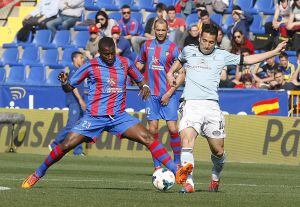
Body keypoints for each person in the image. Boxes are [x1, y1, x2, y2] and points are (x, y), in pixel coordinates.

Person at [21, 37, 192, 189]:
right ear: (99, 53)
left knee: (148, 137)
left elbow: (139, 79)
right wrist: (64, 82)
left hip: (119, 117)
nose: (109, 57)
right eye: (105, 54)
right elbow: (69, 88)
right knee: (66, 145)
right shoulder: (91, 66)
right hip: (94, 117)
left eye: (111, 53)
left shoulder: (125, 63)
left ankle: (176, 171)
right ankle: (38, 173)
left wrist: (145, 86)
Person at [167, 23, 287, 193]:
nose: (207, 45)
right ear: (200, 37)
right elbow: (178, 63)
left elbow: (248, 60)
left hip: (211, 106)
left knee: (218, 151)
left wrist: (274, 52)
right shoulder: (188, 50)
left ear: (216, 41)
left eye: (211, 42)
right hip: (190, 103)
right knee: (187, 139)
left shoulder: (222, 55)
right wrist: (171, 73)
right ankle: (189, 182)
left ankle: (215, 175)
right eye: (204, 41)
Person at [136, 19, 182, 170]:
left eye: (163, 30)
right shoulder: (146, 46)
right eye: (158, 30)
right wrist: (138, 80)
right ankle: (157, 166)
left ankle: (177, 162)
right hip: (151, 95)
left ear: (167, 30)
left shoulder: (174, 48)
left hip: (169, 94)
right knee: (152, 130)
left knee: (173, 129)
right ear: (154, 30)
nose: (160, 33)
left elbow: (182, 73)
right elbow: (139, 64)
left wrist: (169, 93)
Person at [48, 51, 86, 155]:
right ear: (75, 59)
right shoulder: (74, 71)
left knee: (78, 128)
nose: (82, 59)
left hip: (78, 102)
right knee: (71, 126)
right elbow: (73, 88)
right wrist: (81, 100)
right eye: (81, 57)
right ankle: (54, 144)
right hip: (74, 101)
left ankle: (78, 151)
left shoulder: (79, 70)